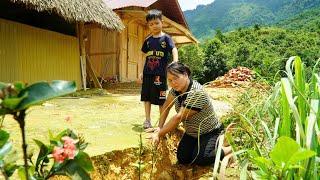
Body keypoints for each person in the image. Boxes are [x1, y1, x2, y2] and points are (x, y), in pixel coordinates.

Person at [147, 62, 231, 166]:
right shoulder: (175, 90)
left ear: (186, 74)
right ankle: (201, 148)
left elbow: (178, 118)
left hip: (209, 132)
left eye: (176, 78)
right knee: (183, 159)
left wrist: (159, 134)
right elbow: (166, 106)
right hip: (192, 132)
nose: (173, 82)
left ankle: (228, 150)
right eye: (170, 80)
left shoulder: (196, 92)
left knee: (202, 159)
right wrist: (159, 127)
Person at [140, 9, 178, 129]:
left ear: (162, 22)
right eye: (151, 24)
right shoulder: (147, 40)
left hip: (160, 75)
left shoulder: (166, 38)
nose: (154, 26)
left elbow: (174, 49)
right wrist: (141, 71)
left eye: (156, 23)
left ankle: (161, 123)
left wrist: (175, 61)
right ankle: (147, 120)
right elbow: (144, 55)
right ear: (148, 26)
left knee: (161, 99)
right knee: (146, 97)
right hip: (147, 74)